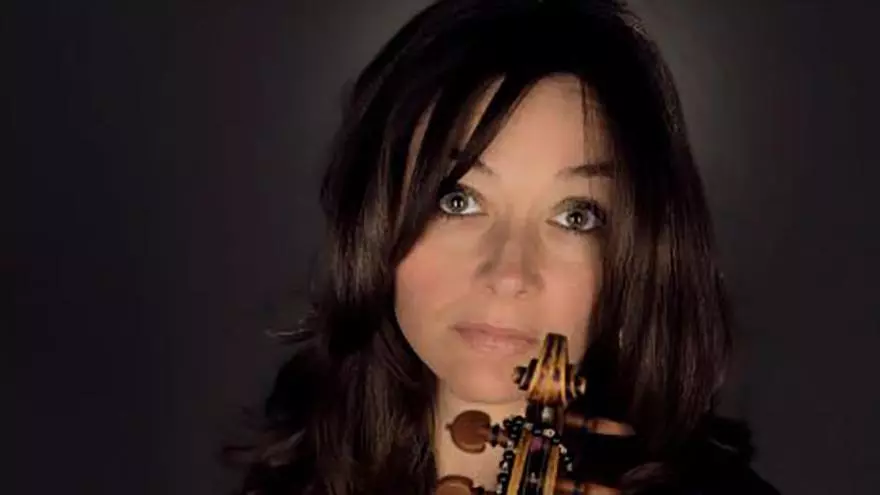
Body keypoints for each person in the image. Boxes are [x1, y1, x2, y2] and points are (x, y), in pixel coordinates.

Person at [230, 0, 779, 493]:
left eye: (576, 216)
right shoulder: (296, 474)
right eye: (458, 200)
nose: (509, 273)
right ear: (376, 218)